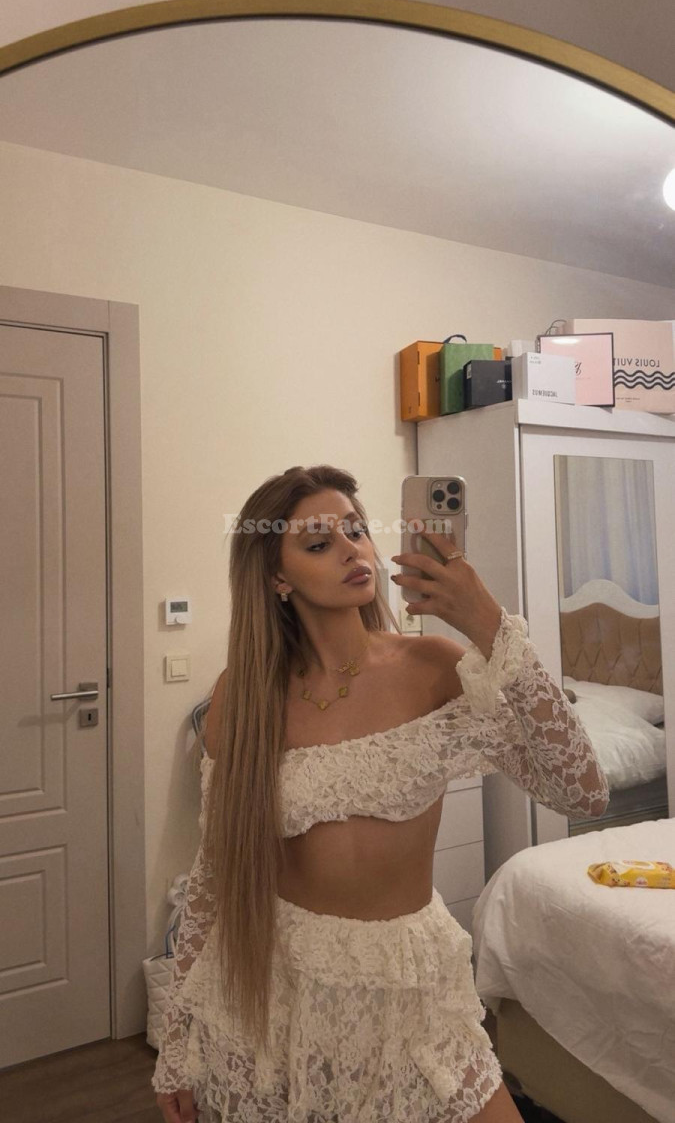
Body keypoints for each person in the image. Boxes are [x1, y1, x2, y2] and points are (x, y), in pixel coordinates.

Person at [152, 463, 609, 1123]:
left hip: (412, 982)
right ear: (277, 578)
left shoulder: (433, 668)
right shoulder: (244, 697)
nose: (351, 549)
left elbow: (582, 791)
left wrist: (490, 626)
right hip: (275, 984)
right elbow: (213, 873)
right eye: (319, 542)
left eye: (356, 530)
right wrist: (176, 1040)